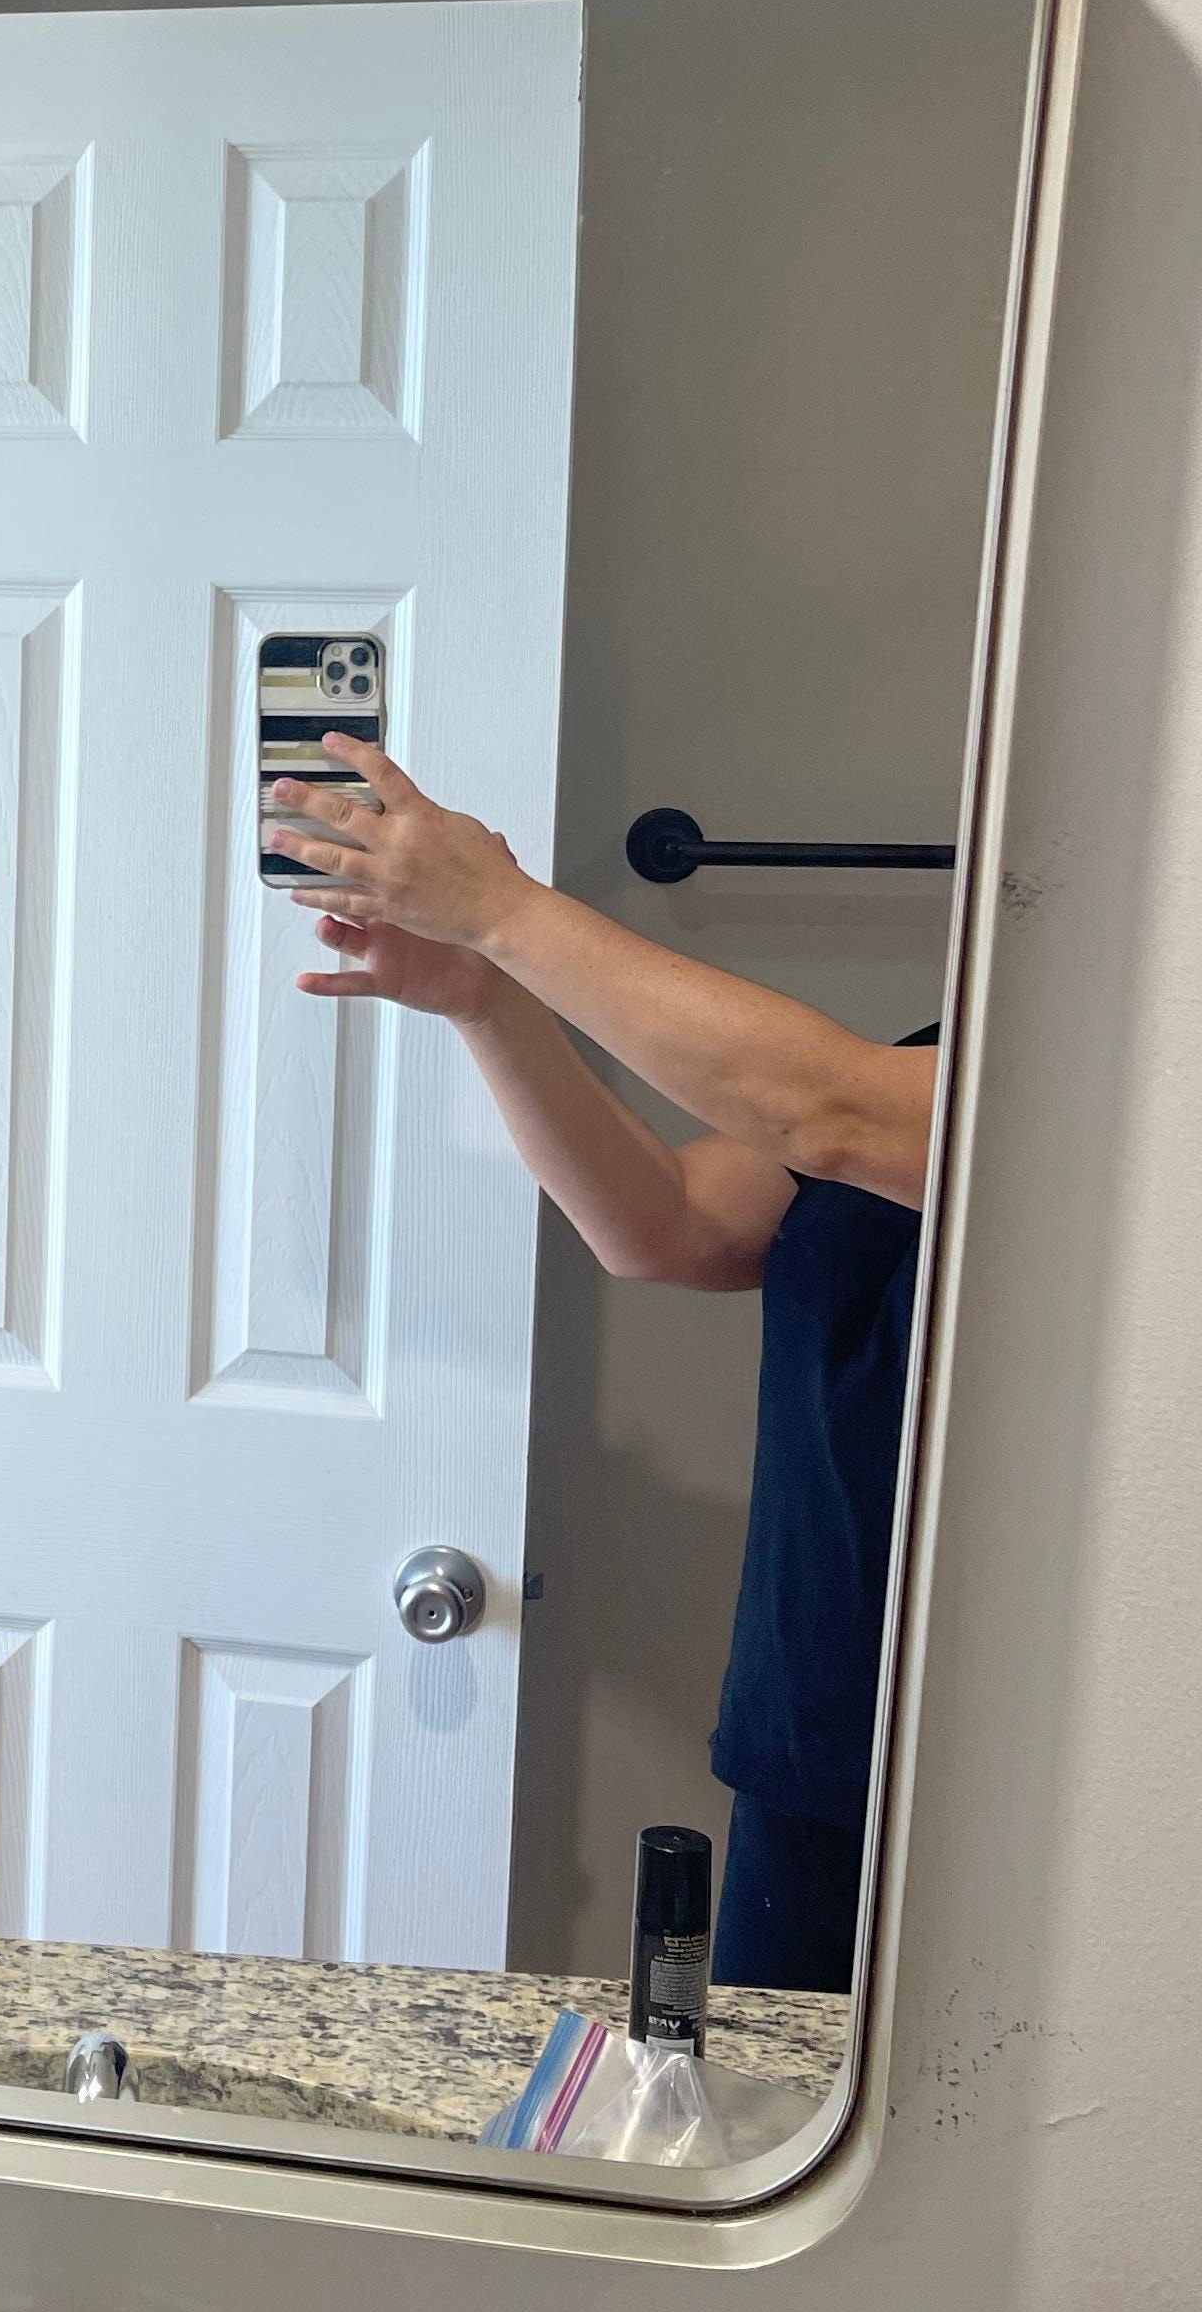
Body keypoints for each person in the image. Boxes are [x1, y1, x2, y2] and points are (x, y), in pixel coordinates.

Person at [263, 731, 940, 1994]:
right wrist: (483, 993)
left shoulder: (1068, 1094)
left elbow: (822, 1112)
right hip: (813, 1741)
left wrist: (507, 911)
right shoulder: (950, 1049)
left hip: (987, 1791)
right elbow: (664, 1222)